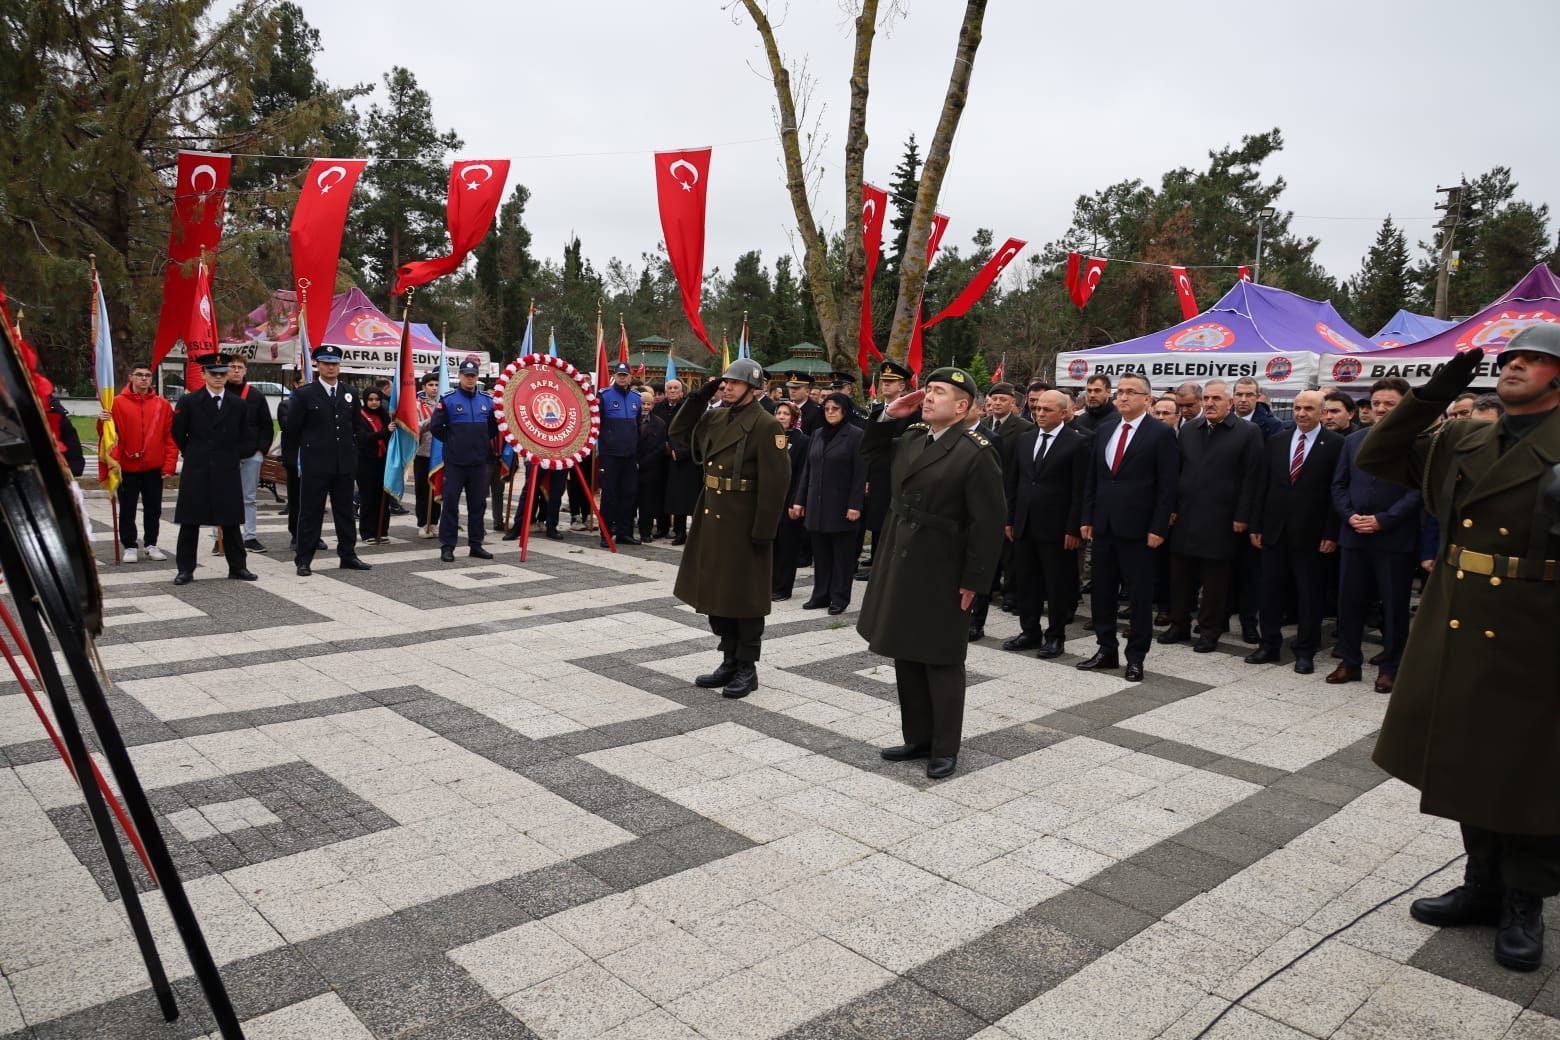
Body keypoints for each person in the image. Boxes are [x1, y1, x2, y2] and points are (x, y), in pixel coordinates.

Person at [1357, 327, 1560, 973]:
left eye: (1534, 359)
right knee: (1469, 760)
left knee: (1531, 772)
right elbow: (1379, 456)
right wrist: (1434, 394)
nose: (1516, 365)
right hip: (1463, 615)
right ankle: (1482, 886)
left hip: (1539, 624)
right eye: (1511, 358)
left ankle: (1525, 905)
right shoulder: (1464, 435)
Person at [857, 367, 1005, 779]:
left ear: (962, 407)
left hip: (943, 565)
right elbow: (870, 452)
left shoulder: (976, 451)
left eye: (940, 392)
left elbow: (988, 526)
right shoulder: (913, 437)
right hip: (901, 557)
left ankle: (945, 748)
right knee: (906, 651)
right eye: (929, 390)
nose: (929, 397)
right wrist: (888, 414)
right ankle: (917, 738)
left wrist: (975, 581)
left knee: (940, 658)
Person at [670, 358, 790, 698]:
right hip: (712, 516)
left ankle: (746, 667)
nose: (727, 387)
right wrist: (700, 396)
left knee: (745, 599)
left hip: (744, 521)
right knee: (715, 594)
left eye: (734, 383)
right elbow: (678, 433)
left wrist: (763, 532)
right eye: (725, 382)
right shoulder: (715, 415)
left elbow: (777, 482)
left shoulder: (766, 425)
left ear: (753, 389)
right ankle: (728, 658)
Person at [1078, 373, 1178, 682]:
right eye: (1120, 392)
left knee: (1138, 597)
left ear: (1147, 399)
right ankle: (1106, 649)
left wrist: (1158, 527)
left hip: (1140, 530)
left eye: (1130, 392)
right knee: (1102, 593)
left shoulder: (1160, 433)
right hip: (1105, 526)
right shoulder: (1106, 429)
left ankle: (1135, 657)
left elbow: (1167, 486)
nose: (1123, 397)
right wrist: (1087, 517)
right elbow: (1093, 478)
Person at [1328, 377, 1420, 692]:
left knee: (1394, 607)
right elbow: (1338, 485)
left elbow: (1418, 490)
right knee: (1349, 602)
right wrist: (1350, 515)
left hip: (1393, 538)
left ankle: (1392, 667)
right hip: (1353, 535)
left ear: (1403, 405)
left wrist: (1384, 520)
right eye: (1376, 403)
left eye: (1388, 403)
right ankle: (1350, 662)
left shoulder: (1416, 441)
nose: (1380, 408)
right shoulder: (1353, 441)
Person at [1159, 380, 1264, 652]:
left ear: (1229, 403)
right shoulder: (1189, 430)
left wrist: (1243, 516)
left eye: (1217, 398)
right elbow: (1176, 472)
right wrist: (1171, 508)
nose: (1210, 403)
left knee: (1215, 581)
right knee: (1180, 576)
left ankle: (1209, 630)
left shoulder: (1248, 432)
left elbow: (1252, 478)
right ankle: (1179, 624)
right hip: (1186, 516)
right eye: (1206, 398)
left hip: (1222, 518)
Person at [1244, 390, 1344, 674]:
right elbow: (1262, 486)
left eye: (1309, 408)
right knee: (1270, 591)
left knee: (1309, 595)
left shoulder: (1336, 444)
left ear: (1322, 412)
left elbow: (1336, 491)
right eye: (1298, 408)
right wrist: (1257, 525)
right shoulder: (1277, 441)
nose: (1302, 413)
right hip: (1275, 530)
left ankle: (1305, 650)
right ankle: (1269, 645)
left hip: (1313, 535)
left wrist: (1331, 532)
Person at [1003, 389, 1089, 658]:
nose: (1040, 414)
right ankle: (1029, 631)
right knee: (1026, 582)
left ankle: (1055, 636)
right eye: (1038, 408)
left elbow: (1080, 491)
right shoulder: (1025, 440)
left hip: (1058, 529)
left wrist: (1073, 528)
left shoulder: (1077, 443)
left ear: (1064, 413)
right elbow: (1015, 482)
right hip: (1025, 524)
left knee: (1057, 585)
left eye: (1047, 410)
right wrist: (1011, 518)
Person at [284, 345, 373, 576]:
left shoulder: (350, 392)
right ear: (317, 365)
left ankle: (348, 554)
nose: (331, 367)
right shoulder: (305, 394)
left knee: (344, 511)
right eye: (326, 363)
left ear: (339, 365)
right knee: (310, 512)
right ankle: (304, 559)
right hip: (315, 463)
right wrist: (292, 461)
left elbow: (356, 426)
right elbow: (292, 430)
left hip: (343, 464)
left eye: (334, 363)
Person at [169, 353, 254, 585]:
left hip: (226, 468)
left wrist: (233, 454)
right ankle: (185, 569)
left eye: (222, 374)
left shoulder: (238, 404)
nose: (218, 378)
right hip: (198, 467)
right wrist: (194, 451)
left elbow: (247, 436)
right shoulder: (189, 401)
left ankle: (238, 567)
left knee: (231, 520)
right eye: (213, 374)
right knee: (190, 521)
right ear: (203, 374)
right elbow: (178, 432)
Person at [792, 391, 867, 615]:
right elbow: (808, 470)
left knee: (842, 556)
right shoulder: (817, 434)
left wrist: (855, 505)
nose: (830, 413)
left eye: (835, 408)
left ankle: (839, 597)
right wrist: (799, 500)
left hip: (842, 506)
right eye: (826, 409)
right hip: (817, 505)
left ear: (844, 410)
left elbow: (860, 473)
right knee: (821, 554)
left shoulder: (855, 435)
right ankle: (820, 594)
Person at [105, 360, 177, 562]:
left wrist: (169, 464)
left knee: (153, 508)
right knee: (127, 508)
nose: (144, 379)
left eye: (147, 375)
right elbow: (109, 435)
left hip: (153, 466)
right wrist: (102, 421)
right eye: (139, 375)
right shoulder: (116, 403)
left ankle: (151, 543)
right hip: (126, 467)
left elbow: (170, 438)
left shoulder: (162, 405)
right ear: (131, 377)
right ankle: (129, 545)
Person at [430, 358, 499, 562]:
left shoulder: (487, 401)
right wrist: (454, 442)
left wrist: (481, 443)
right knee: (451, 504)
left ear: (477, 377)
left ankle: (476, 545)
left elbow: (493, 428)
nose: (470, 379)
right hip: (455, 463)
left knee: (478, 505)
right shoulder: (448, 399)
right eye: (466, 375)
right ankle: (447, 546)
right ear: (459, 376)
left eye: (473, 376)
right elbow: (436, 427)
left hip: (479, 463)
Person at [858, 359, 914, 580]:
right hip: (879, 473)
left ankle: (887, 566)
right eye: (883, 381)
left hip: (898, 474)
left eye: (891, 382)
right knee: (877, 518)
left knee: (892, 520)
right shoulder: (878, 410)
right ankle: (876, 563)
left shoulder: (911, 411)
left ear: (902, 386)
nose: (886, 385)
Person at [217, 356, 274, 553]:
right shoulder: (218, 393)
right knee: (222, 497)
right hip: (224, 455)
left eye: (239, 367)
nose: (235, 370)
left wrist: (261, 451)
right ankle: (220, 539)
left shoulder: (256, 396)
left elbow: (266, 425)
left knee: (248, 498)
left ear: (245, 370)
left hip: (250, 455)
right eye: (231, 367)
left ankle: (249, 536)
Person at [598, 361, 642, 546]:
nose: (622, 378)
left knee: (629, 495)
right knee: (609, 495)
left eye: (625, 375)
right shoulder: (604, 396)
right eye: (619, 375)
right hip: (610, 455)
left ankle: (625, 533)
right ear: (614, 376)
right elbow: (596, 425)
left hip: (629, 455)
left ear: (630, 377)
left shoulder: (636, 398)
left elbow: (638, 426)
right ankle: (606, 534)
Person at [770, 400, 809, 600]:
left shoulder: (802, 441)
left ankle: (783, 587)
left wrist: (797, 502)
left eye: (786, 413)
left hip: (790, 500)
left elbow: (803, 473)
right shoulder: (769, 437)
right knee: (771, 545)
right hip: (769, 501)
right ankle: (769, 583)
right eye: (779, 413)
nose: (782, 416)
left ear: (794, 418)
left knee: (787, 547)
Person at [658, 378, 699, 545]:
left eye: (676, 388)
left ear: (682, 392)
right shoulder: (659, 408)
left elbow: (695, 435)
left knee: (684, 499)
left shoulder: (688, 410)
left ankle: (682, 531)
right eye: (670, 388)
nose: (673, 391)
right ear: (666, 392)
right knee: (668, 496)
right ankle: (664, 527)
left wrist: (678, 451)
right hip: (662, 459)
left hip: (684, 459)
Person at [355, 387, 393, 542]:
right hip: (365, 462)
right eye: (370, 399)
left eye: (377, 399)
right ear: (365, 400)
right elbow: (363, 437)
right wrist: (386, 432)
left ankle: (382, 530)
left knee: (383, 497)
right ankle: (367, 532)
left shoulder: (385, 416)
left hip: (382, 461)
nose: (374, 403)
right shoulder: (359, 416)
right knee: (368, 498)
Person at [636, 386, 668, 541]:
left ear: (653, 406)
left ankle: (645, 532)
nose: (645, 407)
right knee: (629, 502)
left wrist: (642, 463)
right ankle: (626, 530)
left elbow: (659, 448)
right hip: (631, 469)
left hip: (650, 470)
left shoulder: (660, 423)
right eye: (643, 403)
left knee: (647, 505)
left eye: (649, 404)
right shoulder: (630, 421)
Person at [414, 372, 442, 538]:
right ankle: (423, 523)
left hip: (440, 456)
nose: (434, 388)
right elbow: (415, 428)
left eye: (437, 385)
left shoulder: (444, 404)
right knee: (422, 491)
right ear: (424, 387)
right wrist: (433, 420)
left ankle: (434, 522)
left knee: (437, 490)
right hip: (423, 455)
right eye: (430, 385)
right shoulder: (417, 405)